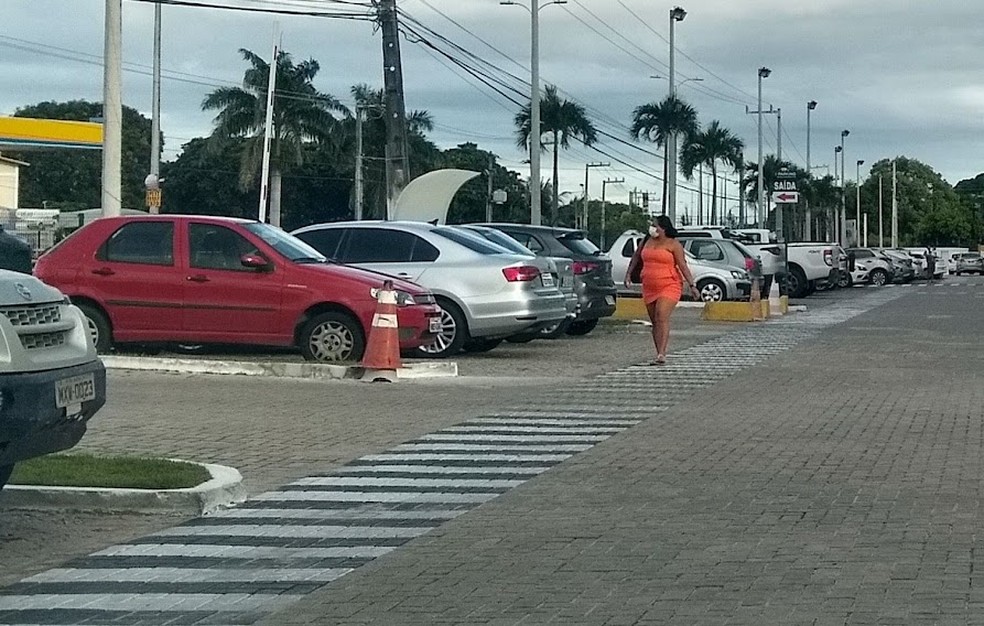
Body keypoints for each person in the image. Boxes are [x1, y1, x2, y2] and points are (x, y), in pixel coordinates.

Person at [624, 215, 700, 365]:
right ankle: (658, 351)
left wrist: (692, 285)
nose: (652, 228)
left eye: (655, 225)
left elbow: (683, 265)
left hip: (669, 284)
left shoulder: (673, 244)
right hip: (649, 286)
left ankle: (662, 354)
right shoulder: (646, 241)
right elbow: (636, 258)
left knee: (661, 315)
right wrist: (628, 275)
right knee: (655, 321)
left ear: (663, 228)